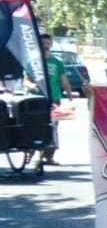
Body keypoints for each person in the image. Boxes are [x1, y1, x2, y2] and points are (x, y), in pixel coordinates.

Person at [38, 34, 65, 164]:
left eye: (47, 43)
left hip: (55, 98)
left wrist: (70, 94)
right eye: (43, 43)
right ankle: (37, 152)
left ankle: (49, 156)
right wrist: (32, 85)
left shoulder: (57, 62)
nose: (45, 46)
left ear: (51, 44)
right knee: (39, 125)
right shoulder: (35, 61)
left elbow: (63, 79)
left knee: (53, 126)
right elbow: (27, 79)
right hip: (38, 98)